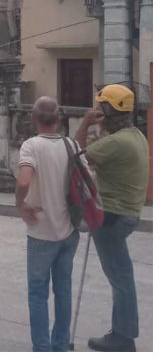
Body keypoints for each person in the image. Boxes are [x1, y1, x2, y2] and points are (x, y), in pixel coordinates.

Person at [76, 84, 148, 352]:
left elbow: (77, 156)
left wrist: (84, 124)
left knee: (120, 277)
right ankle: (122, 330)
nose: (98, 112)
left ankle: (124, 336)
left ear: (109, 110)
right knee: (123, 274)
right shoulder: (135, 136)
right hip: (127, 213)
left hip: (112, 216)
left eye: (101, 107)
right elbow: (98, 155)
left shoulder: (116, 142)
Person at [15, 96, 79, 352]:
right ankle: (61, 345)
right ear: (59, 119)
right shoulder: (71, 145)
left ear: (33, 118)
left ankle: (42, 349)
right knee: (63, 290)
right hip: (68, 231)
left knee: (38, 294)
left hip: (41, 232)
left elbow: (23, 181)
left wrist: (20, 204)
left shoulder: (31, 146)